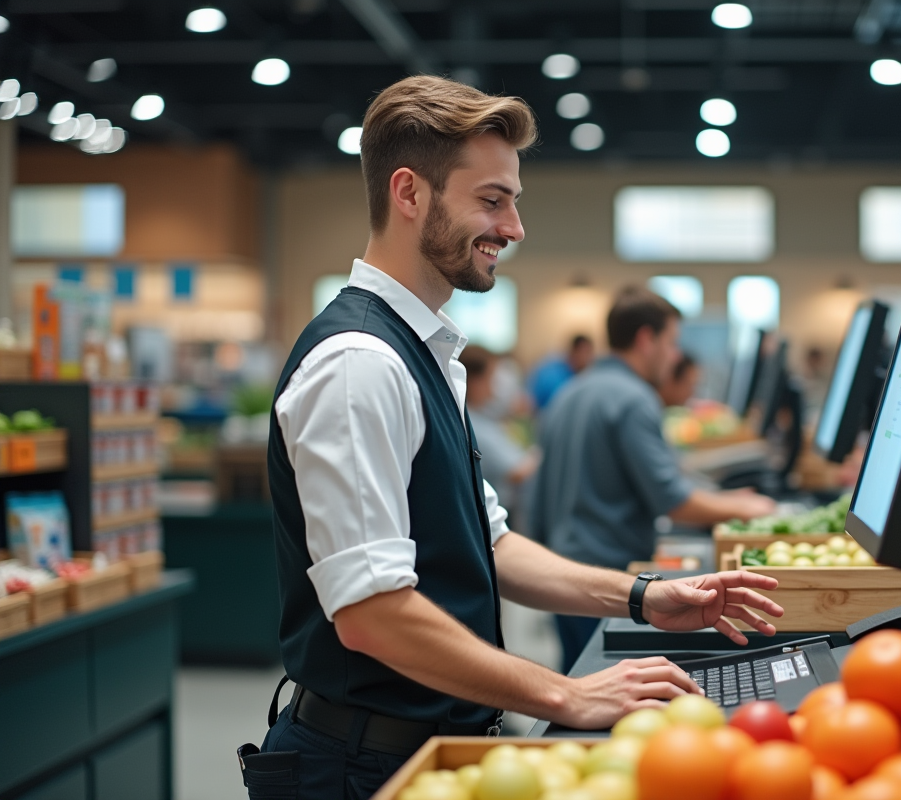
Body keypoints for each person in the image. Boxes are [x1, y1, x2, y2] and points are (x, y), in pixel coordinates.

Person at [243, 76, 784, 799]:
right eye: (491, 200)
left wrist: (643, 596)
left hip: (423, 746)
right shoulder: (358, 365)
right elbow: (372, 617)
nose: (515, 227)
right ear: (409, 193)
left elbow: (488, 545)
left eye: (513, 201)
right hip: (358, 766)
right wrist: (565, 695)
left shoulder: (422, 352)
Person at [530, 287, 780, 671]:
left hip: (563, 574)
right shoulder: (633, 397)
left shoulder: (572, 390)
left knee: (578, 677)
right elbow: (673, 500)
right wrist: (746, 506)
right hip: (609, 575)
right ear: (647, 339)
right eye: (672, 341)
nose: (675, 354)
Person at [460, 344, 540, 526]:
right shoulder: (472, 424)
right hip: (490, 518)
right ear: (473, 381)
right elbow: (518, 471)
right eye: (490, 378)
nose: (494, 387)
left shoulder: (483, 416)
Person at [528, 334, 594, 410]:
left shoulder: (577, 375)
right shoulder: (554, 377)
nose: (589, 359)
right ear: (574, 351)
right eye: (586, 353)